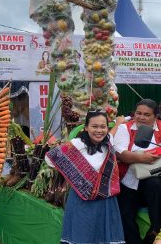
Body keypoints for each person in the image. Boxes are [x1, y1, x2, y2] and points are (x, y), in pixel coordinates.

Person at [45, 110, 125, 244]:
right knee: (82, 234)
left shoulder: (107, 142)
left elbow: (111, 134)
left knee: (103, 235)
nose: (99, 130)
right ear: (86, 127)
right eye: (94, 126)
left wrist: (118, 124)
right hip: (82, 199)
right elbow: (51, 158)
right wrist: (76, 169)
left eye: (103, 126)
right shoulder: (79, 143)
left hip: (105, 199)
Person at [114, 99, 161, 244]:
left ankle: (154, 232)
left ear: (155, 116)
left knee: (155, 184)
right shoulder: (125, 128)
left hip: (154, 180)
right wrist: (143, 158)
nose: (141, 117)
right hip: (129, 181)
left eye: (147, 115)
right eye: (138, 113)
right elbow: (120, 153)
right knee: (125, 214)